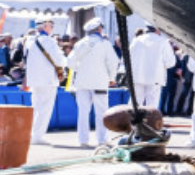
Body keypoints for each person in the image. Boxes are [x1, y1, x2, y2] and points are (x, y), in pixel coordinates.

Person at [66, 18, 120, 147]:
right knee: (101, 111)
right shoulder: (104, 43)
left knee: (83, 111)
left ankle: (83, 140)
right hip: (99, 82)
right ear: (99, 29)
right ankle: (102, 140)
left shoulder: (80, 44)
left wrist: (80, 70)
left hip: (82, 82)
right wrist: (112, 78)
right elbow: (113, 62)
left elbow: (70, 62)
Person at [23, 18, 67, 145]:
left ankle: (31, 134)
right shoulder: (49, 41)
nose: (52, 28)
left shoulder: (30, 41)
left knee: (35, 107)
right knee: (45, 109)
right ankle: (37, 136)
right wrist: (64, 63)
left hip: (34, 79)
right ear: (45, 26)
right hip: (47, 79)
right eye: (51, 25)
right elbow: (59, 60)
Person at [130, 26, 176, 111]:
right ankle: (149, 124)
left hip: (137, 77)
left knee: (134, 105)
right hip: (155, 78)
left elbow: (128, 59)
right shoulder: (163, 41)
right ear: (157, 30)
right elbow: (170, 63)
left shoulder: (136, 40)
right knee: (151, 107)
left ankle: (130, 123)